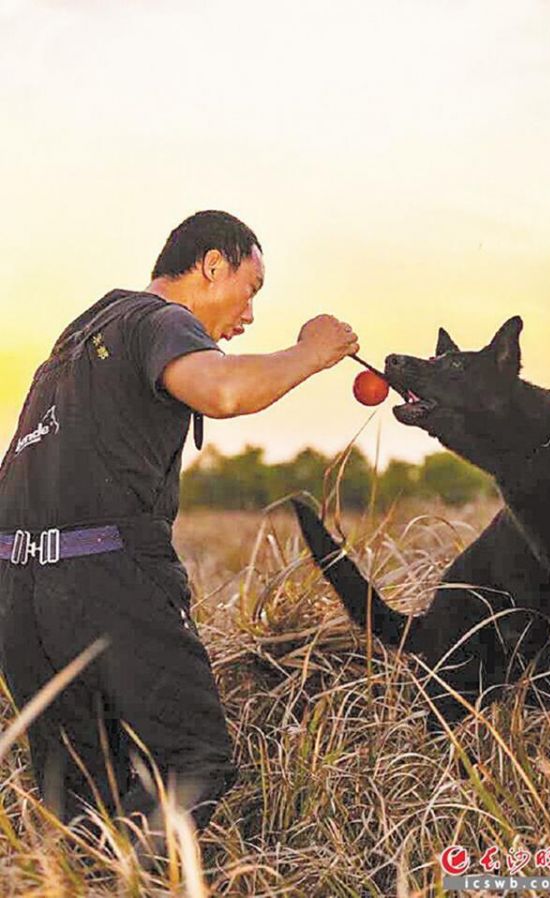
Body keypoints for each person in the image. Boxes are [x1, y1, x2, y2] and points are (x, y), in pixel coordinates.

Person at [0, 210, 359, 858]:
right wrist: (313, 351)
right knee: (192, 763)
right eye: (251, 289)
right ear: (212, 265)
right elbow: (220, 391)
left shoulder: (73, 345)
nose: (248, 315)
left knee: (80, 801)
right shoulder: (159, 322)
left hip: (18, 594)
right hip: (106, 579)